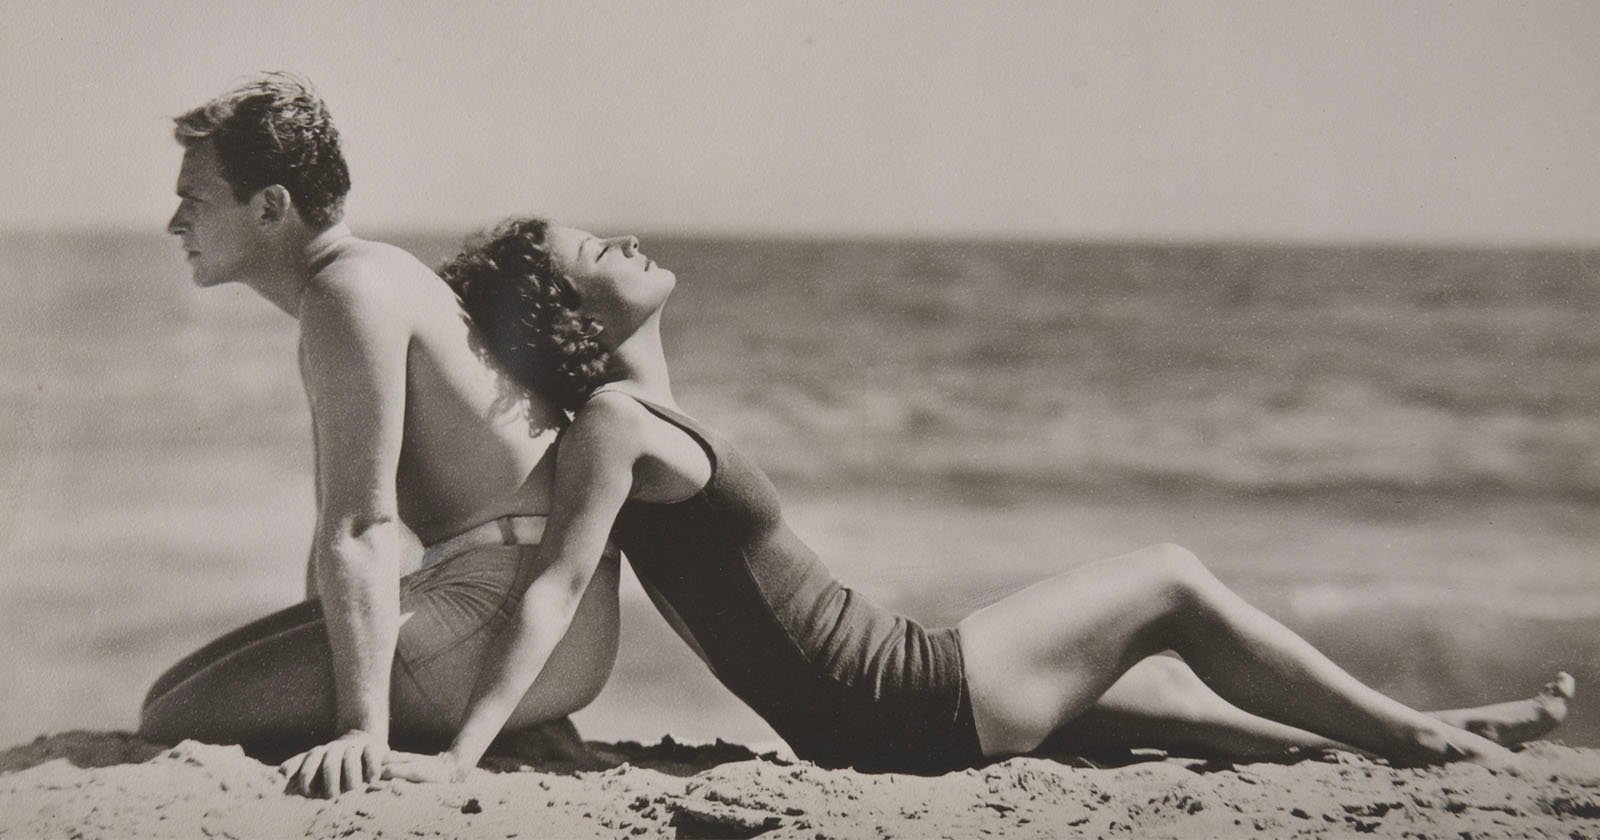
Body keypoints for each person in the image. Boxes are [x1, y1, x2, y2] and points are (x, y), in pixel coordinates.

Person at [382, 217, 1573, 782]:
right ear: (571, 314)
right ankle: (1417, 735)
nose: (625, 235)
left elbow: (653, 489)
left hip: (881, 698)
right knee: (1165, 575)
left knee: (1153, 687)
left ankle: (1415, 736)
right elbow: (552, 591)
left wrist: (616, 322)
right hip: (898, 701)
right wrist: (466, 754)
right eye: (594, 245)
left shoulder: (635, 411)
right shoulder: (612, 428)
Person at [136, 77, 622, 798]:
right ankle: (514, 721)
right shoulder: (366, 278)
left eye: (195, 200)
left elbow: (363, 525)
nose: (176, 223)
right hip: (539, 629)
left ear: (270, 206)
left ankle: (475, 715)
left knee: (169, 714)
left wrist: (360, 728)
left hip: (507, 621)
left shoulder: (346, 295)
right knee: (182, 686)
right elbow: (336, 522)